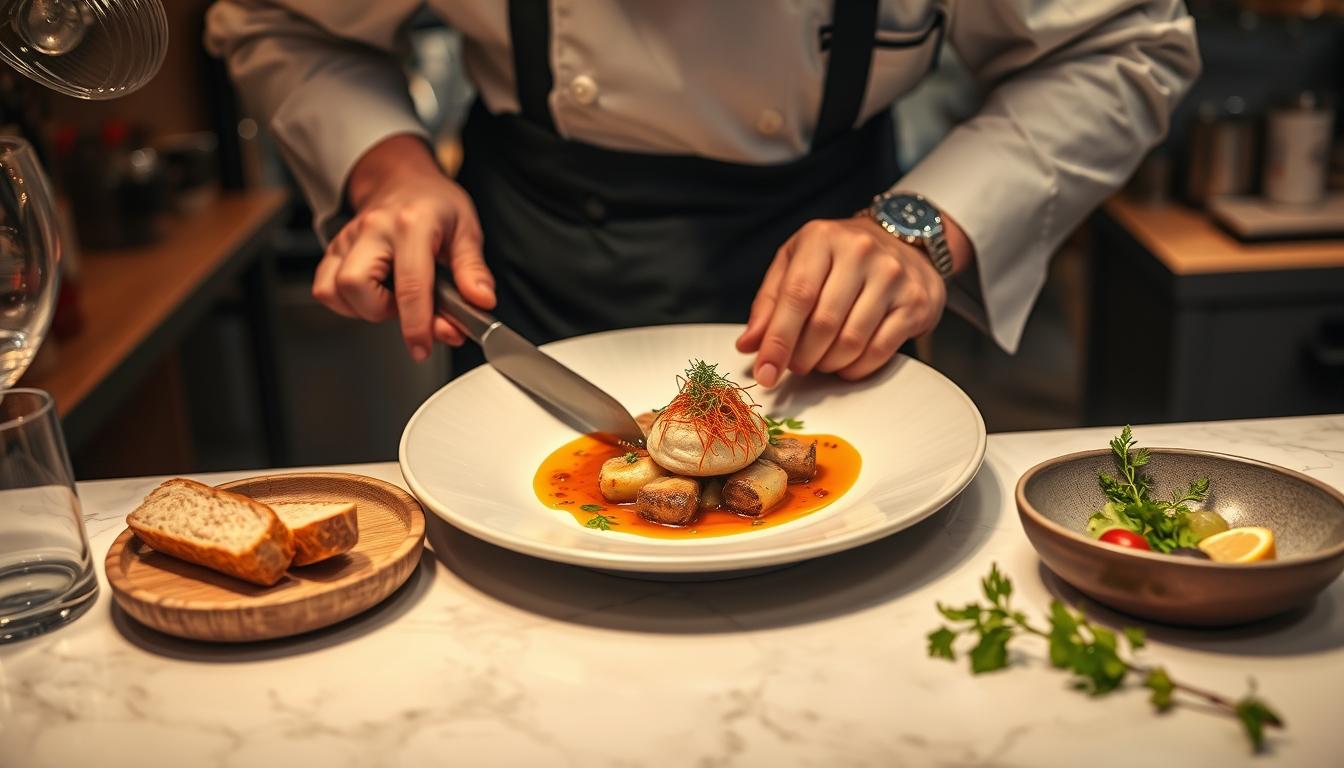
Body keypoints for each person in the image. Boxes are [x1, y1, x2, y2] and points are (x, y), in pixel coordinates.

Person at [206, 1, 1198, 387]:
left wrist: (916, 231)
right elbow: (281, 23)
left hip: (838, 271)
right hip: (535, 263)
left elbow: (1120, 45)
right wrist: (390, 168)